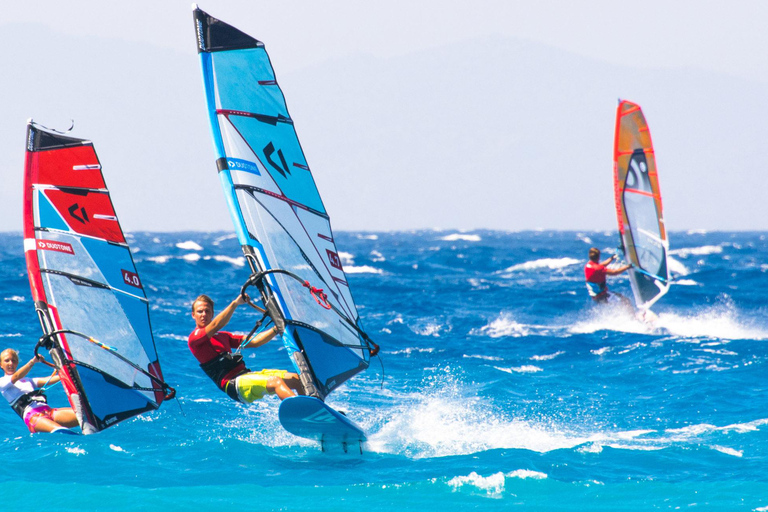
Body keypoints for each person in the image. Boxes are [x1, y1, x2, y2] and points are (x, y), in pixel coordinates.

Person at [188, 293, 305, 403]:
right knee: (276, 382)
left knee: (297, 379)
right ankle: (303, 414)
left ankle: (314, 410)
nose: (204, 314)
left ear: (212, 314)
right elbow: (216, 325)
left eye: (207, 311)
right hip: (233, 384)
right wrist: (235, 303)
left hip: (246, 375)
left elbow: (255, 341)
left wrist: (277, 328)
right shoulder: (195, 339)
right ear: (193, 315)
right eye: (200, 311)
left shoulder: (223, 336)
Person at [0, 348, 78, 433]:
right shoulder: (2, 382)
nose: (11, 363)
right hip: (33, 418)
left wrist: (67, 374)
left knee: (83, 416)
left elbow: (46, 380)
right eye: (7, 361)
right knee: (61, 431)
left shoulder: (28, 380)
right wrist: (32, 362)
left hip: (49, 411)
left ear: (17, 363)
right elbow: (16, 376)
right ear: (1, 365)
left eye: (14, 360)